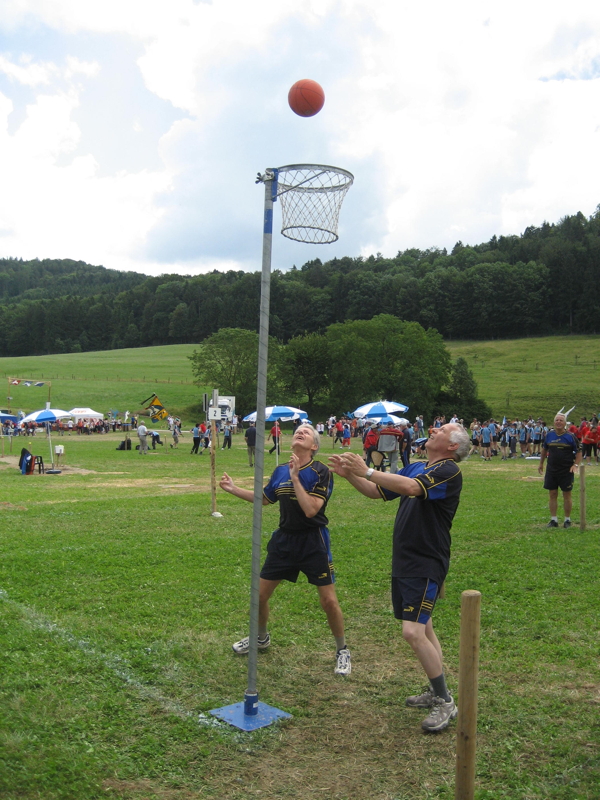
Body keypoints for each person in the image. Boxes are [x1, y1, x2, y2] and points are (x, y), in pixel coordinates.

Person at [329, 422, 470, 732]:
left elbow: (411, 489)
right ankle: (435, 689)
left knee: (413, 632)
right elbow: (376, 491)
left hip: (426, 561)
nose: (434, 430)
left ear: (452, 446)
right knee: (425, 628)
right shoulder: (418, 466)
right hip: (406, 559)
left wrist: (366, 470)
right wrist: (350, 474)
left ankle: (445, 701)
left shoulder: (448, 470)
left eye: (442, 430)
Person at [220, 424, 351, 675]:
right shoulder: (281, 470)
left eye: (307, 432)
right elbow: (265, 498)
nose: (300, 432)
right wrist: (234, 489)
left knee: (328, 601)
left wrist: (296, 478)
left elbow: (311, 509)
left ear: (314, 446)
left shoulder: (320, 471)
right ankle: (261, 638)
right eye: (298, 430)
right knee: (259, 596)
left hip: (313, 541)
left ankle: (342, 650)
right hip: (284, 541)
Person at [538, 409, 581, 528]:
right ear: (554, 422)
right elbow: (544, 450)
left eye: (561, 420)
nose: (558, 422)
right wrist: (541, 464)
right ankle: (554, 520)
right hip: (551, 470)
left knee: (567, 495)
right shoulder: (549, 435)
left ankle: (567, 520)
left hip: (566, 470)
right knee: (552, 494)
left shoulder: (571, 436)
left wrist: (575, 465)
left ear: (565, 423)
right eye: (556, 420)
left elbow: (579, 452)